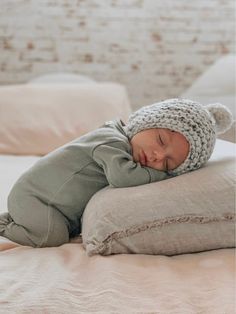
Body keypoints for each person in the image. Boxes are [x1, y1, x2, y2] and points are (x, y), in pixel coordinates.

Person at [0, 98, 233, 248]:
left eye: (169, 163)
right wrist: (165, 175)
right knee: (50, 238)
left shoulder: (126, 146)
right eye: (161, 140)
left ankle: (15, 220)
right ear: (146, 121)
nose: (157, 156)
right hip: (36, 198)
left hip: (51, 207)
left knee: (60, 229)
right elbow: (124, 178)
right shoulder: (109, 140)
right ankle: (6, 228)